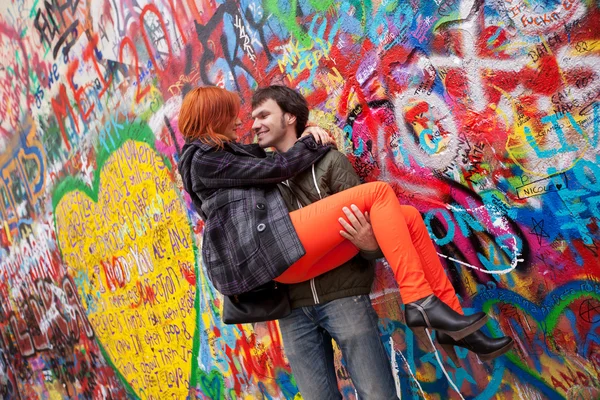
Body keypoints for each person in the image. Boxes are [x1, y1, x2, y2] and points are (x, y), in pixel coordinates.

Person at [177, 86, 503, 370]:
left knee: (409, 219)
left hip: (282, 249)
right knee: (377, 193)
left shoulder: (219, 156)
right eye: (233, 115)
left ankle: (450, 318)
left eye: (257, 116)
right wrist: (312, 142)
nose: (241, 123)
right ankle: (418, 301)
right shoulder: (202, 158)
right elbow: (275, 167)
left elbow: (266, 159)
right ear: (214, 117)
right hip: (271, 251)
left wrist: (308, 133)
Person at [252, 85, 398, 399]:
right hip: (292, 309)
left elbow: (373, 238)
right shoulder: (260, 177)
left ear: (290, 117)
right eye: (253, 118)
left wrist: (368, 242)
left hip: (344, 296)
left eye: (264, 115)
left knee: (377, 393)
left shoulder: (330, 162)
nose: (255, 124)